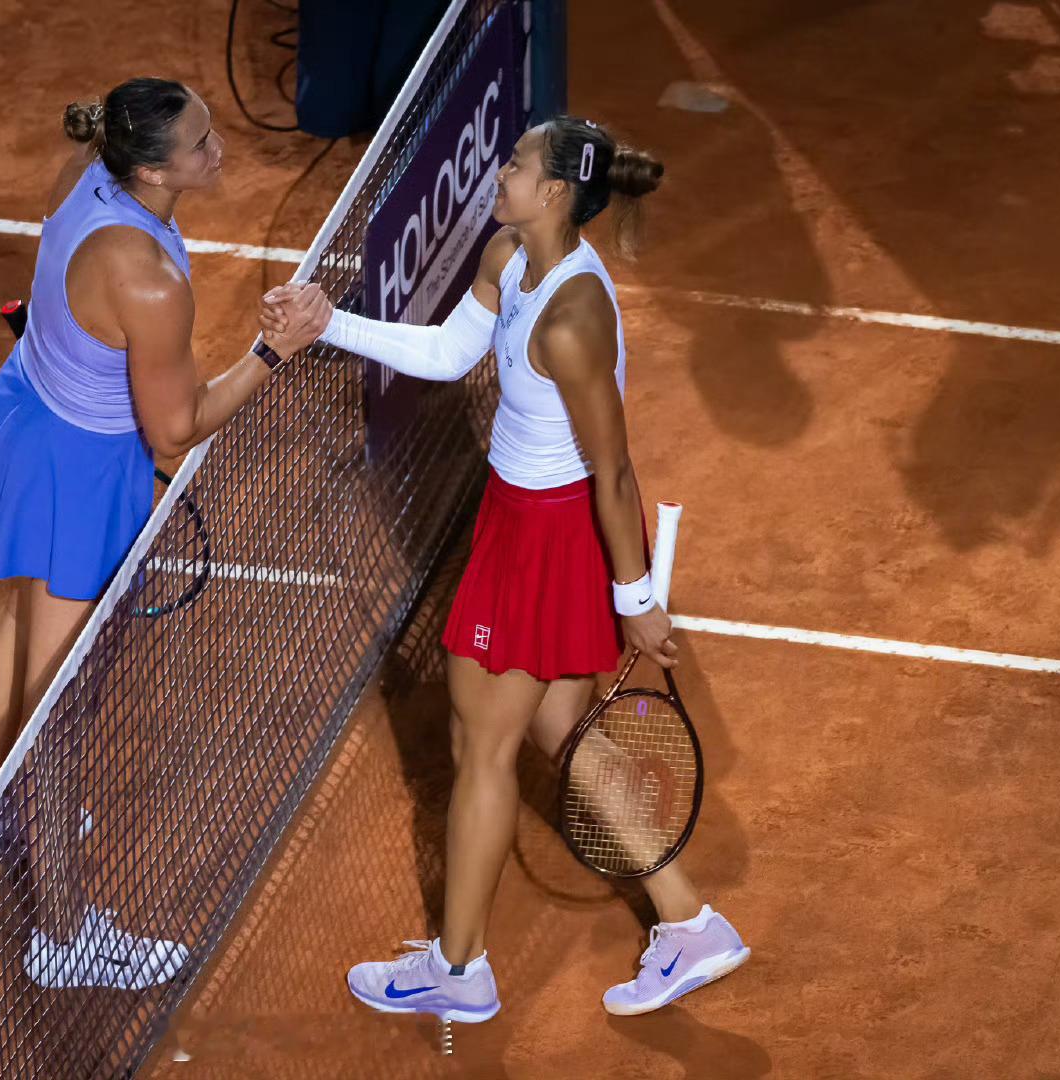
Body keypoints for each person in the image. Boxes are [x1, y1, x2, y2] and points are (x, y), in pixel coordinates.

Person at [264, 115, 748, 1023]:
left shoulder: (571, 319)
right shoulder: (508, 254)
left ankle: (459, 972)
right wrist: (332, 323)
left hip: (547, 537)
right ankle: (690, 924)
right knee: (561, 725)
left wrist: (637, 600)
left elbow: (613, 471)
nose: (500, 170)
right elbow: (450, 354)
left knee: (477, 745)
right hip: (515, 517)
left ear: (555, 191)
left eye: (517, 163)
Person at [0, 76, 331, 989]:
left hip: (27, 415)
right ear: (154, 170)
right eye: (201, 144)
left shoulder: (89, 173)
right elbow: (175, 430)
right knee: (59, 711)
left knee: (23, 613)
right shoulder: (149, 284)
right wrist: (275, 351)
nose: (219, 151)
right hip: (77, 473)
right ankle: (63, 937)